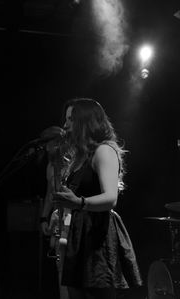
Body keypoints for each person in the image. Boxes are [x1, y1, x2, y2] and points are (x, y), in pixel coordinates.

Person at [41, 98, 142, 299]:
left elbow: (110, 198)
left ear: (85, 122)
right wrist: (58, 211)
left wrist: (78, 203)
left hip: (98, 235)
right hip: (80, 234)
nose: (65, 125)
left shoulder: (103, 151)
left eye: (71, 120)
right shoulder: (81, 156)